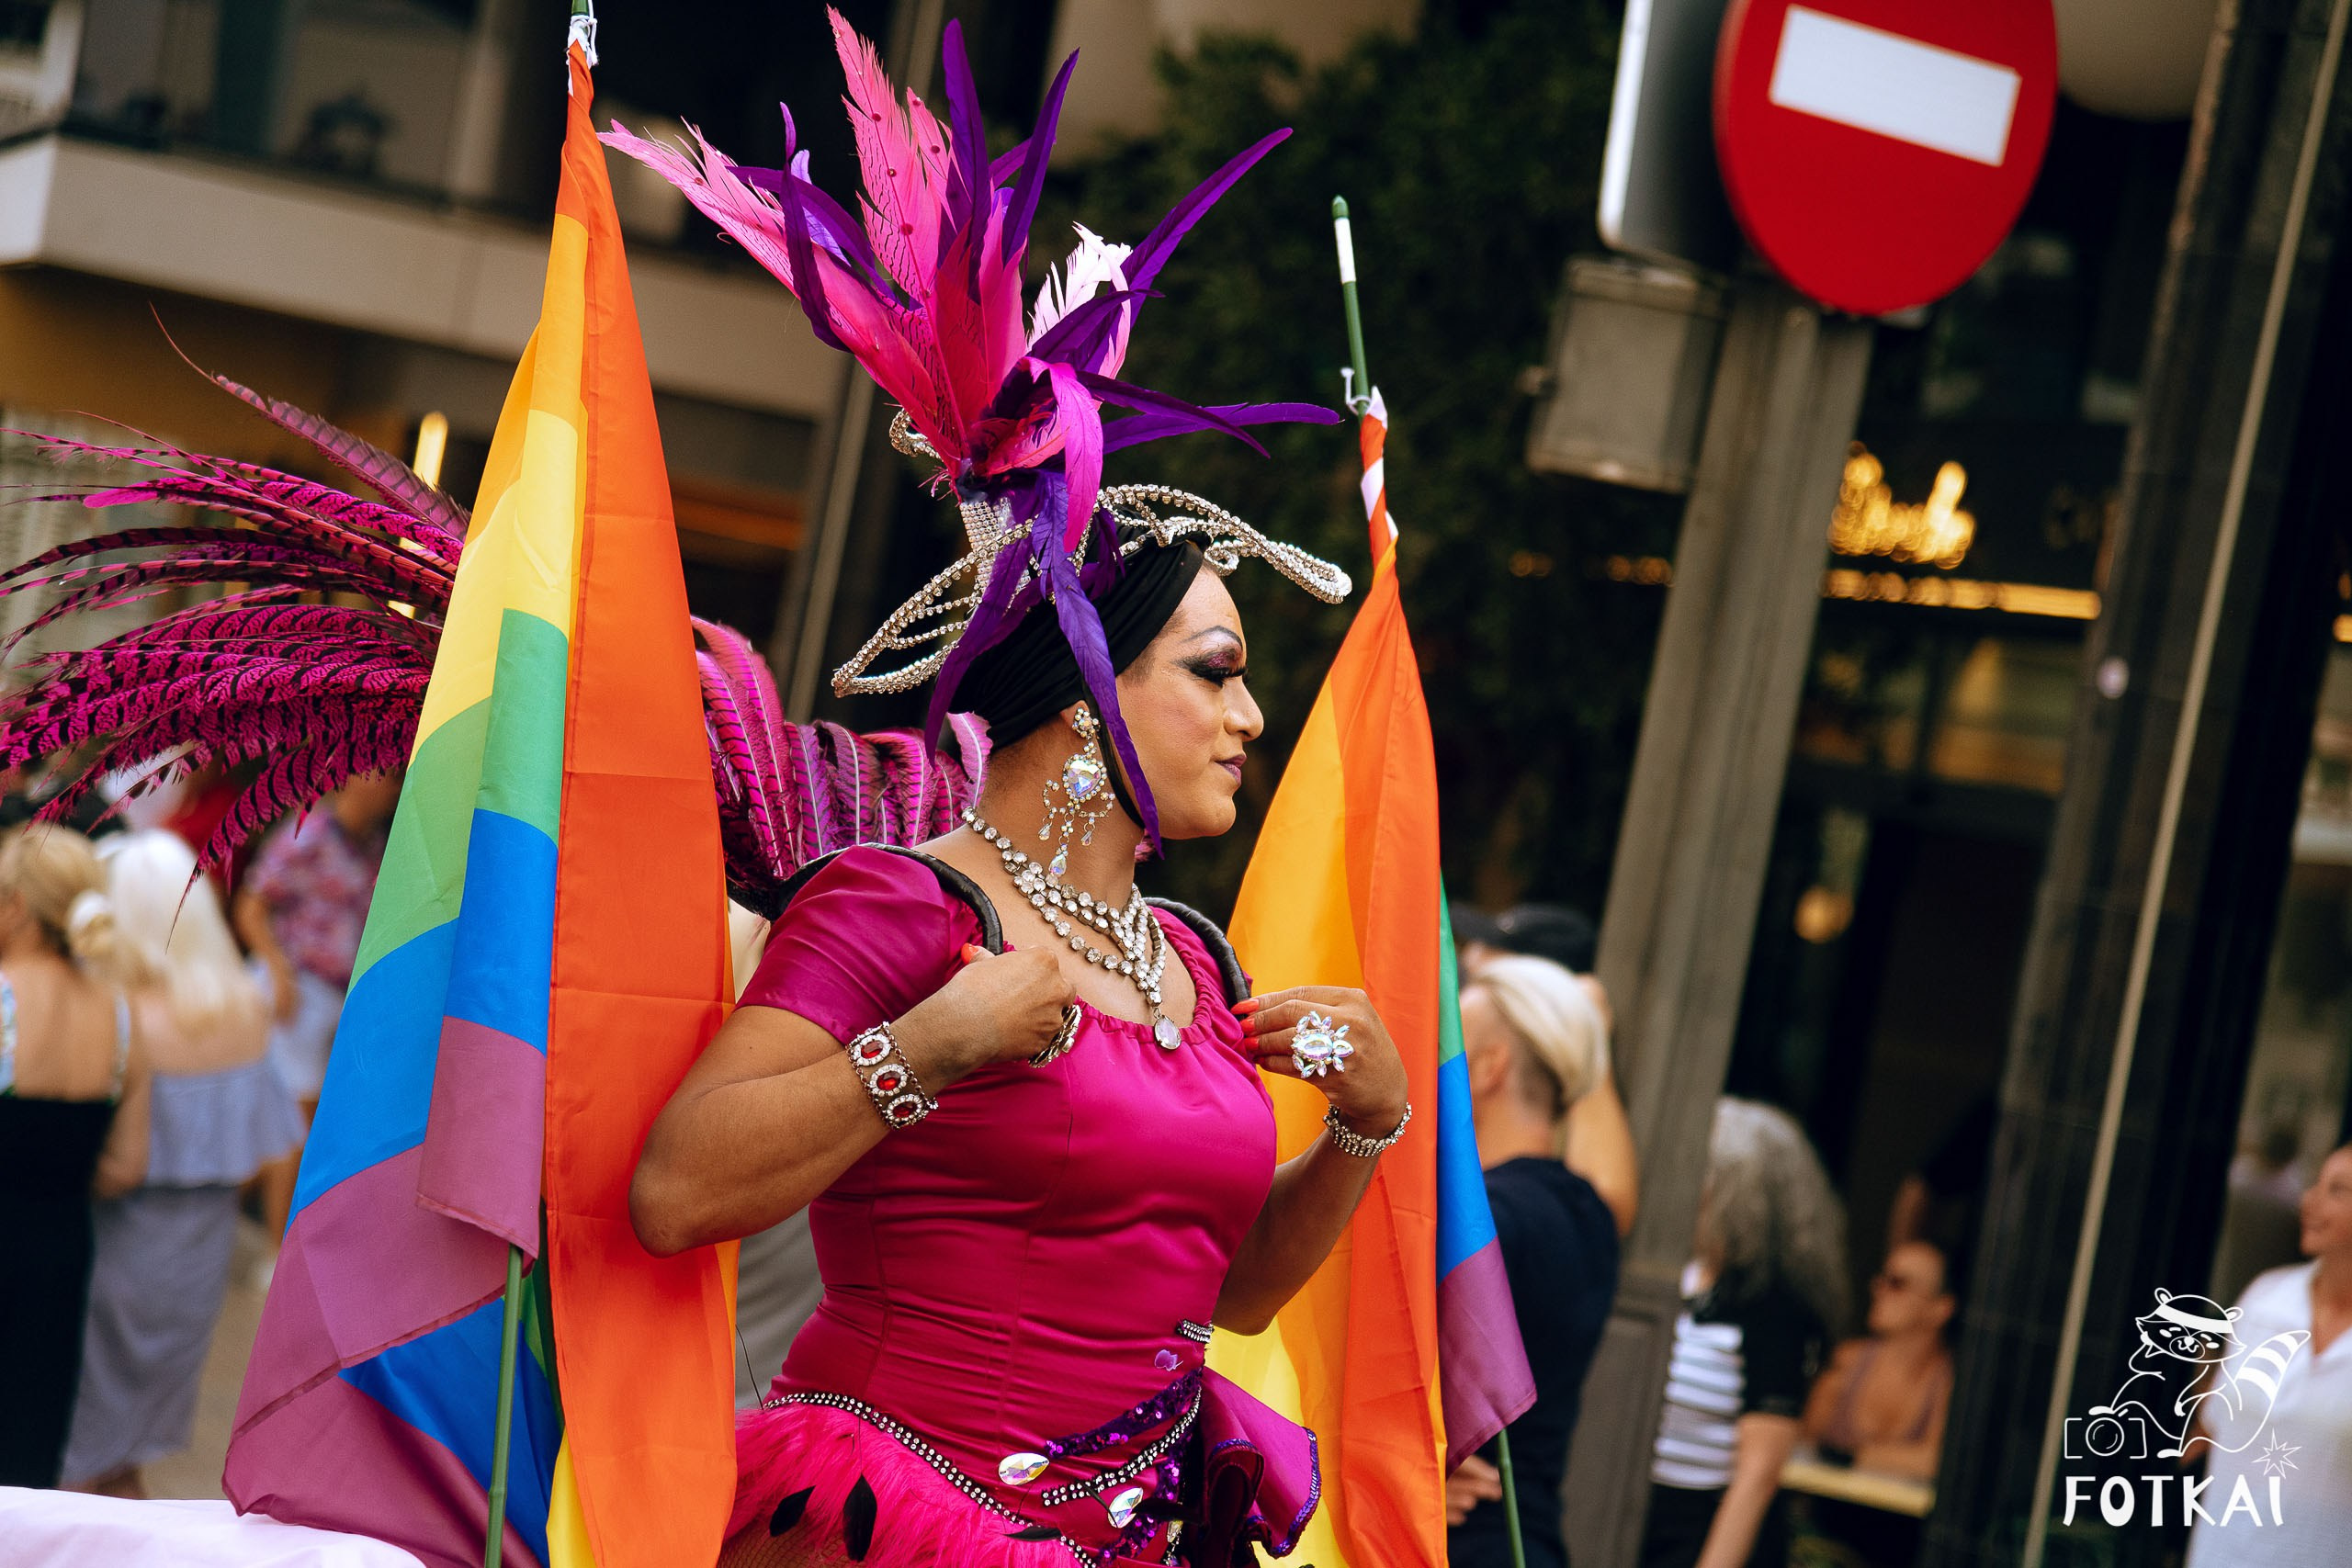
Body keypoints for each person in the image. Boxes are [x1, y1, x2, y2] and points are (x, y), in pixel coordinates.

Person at [599, 20, 1405, 1564]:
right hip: (899, 1515)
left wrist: (1359, 1135)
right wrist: (924, 1049)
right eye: (1216, 670)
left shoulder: (1200, 962)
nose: (1251, 714)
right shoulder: (906, 908)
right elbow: (677, 1186)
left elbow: (1223, 1291)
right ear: (1094, 698)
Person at [61, 831, 302, 1496]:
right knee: (130, 1447)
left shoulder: (119, 1012)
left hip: (115, 1247)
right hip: (198, 1259)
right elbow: (266, 1147)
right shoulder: (246, 1008)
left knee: (80, 1438)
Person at [1446, 955, 1622, 1568]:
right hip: (1530, 1538)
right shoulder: (1592, 1211)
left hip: (1458, 1540)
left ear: (1490, 1067)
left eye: (1449, 1048)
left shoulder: (1479, 1219)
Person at [0, 823, 150, 1487]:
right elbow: (125, 1167)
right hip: (59, 1254)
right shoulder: (120, 1015)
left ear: (17, 907)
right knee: (27, 1455)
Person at [1642, 1098, 1848, 1568]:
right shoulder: (1673, 1275)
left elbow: (1759, 1475)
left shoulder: (1776, 1310)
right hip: (1634, 1513)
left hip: (1699, 1533)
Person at [232, 770, 398, 1241]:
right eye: (385, 777)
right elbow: (251, 905)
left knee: (290, 1128)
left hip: (332, 1001)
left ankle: (229, 1223)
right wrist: (279, 972)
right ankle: (273, 1250)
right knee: (293, 1129)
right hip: (297, 996)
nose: (391, 789)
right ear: (359, 776)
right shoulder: (309, 832)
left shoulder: (374, 845)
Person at [2185, 1141, 2352, 1568]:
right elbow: (2205, 1426)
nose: (2308, 1200)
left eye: (2338, 1190)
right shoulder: (2264, 1300)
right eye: (2316, 1183)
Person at [1457, 902, 1639, 1235]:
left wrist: (1584, 1030)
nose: (1463, 994)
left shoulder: (1515, 1211)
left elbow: (1606, 1207)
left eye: (1495, 981)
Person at [1802, 1237, 1955, 1479]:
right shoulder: (1847, 1361)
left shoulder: (1946, 1380)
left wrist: (1850, 1456)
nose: (1879, 1289)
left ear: (1940, 1309)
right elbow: (1807, 1442)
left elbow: (1938, 1461)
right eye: (1881, 1279)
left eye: (1897, 1283)